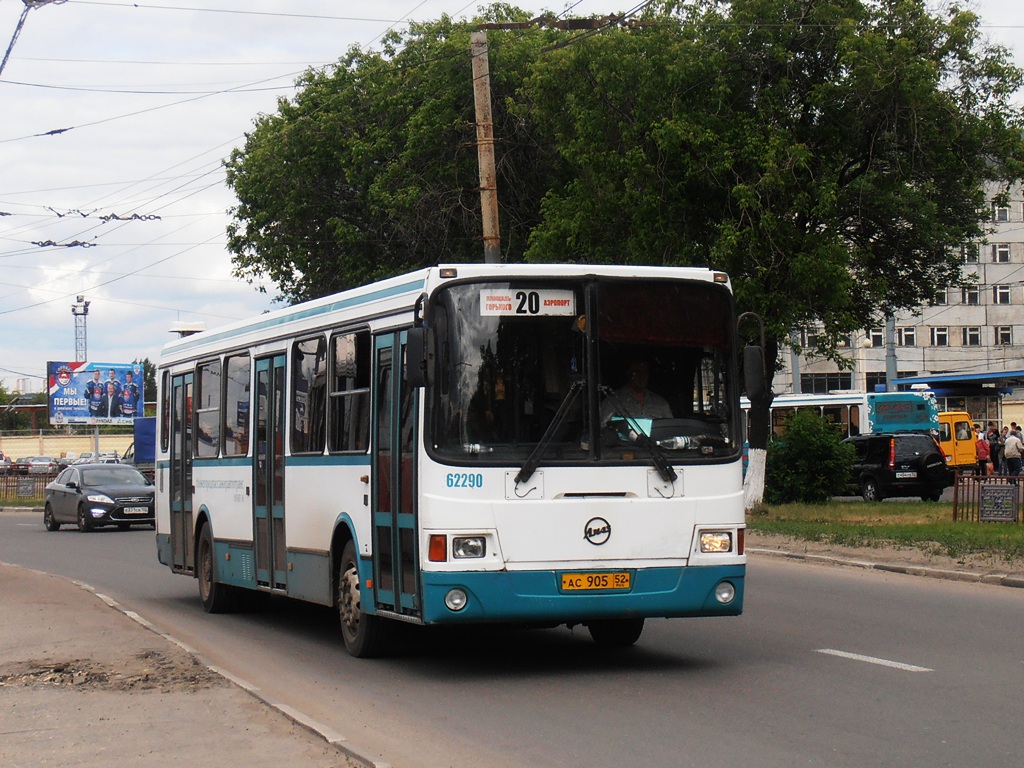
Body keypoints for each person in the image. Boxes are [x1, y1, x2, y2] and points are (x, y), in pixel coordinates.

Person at [600, 358, 673, 424]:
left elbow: (670, 430)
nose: (641, 376)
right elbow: (604, 429)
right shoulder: (613, 401)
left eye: (645, 372)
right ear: (629, 373)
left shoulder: (660, 403)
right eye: (637, 372)